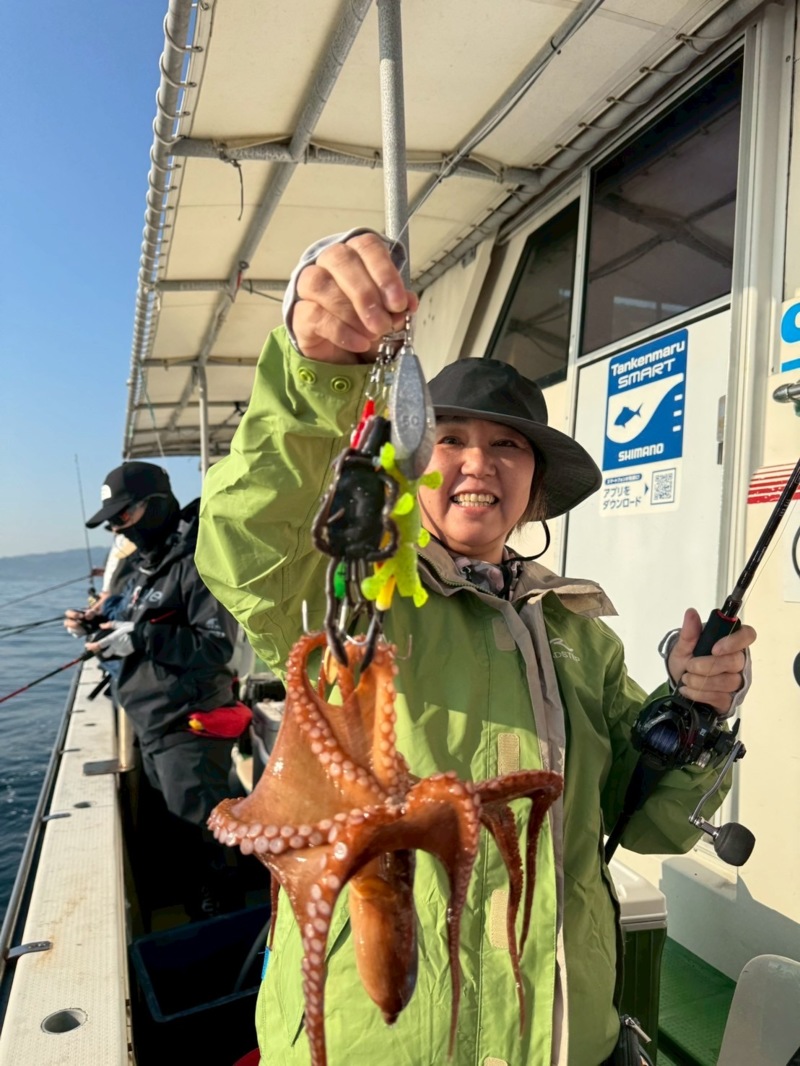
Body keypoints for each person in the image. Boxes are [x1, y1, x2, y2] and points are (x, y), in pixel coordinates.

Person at [195, 231, 756, 1065]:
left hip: (567, 1040)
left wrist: (698, 713)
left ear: (534, 487)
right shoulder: (353, 596)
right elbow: (250, 546)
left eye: (507, 446)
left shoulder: (580, 637)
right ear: (413, 460)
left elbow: (650, 823)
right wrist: (318, 368)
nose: (477, 464)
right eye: (450, 438)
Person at [65, 460, 250, 919]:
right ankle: (201, 912)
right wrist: (93, 624)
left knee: (207, 836)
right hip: (152, 725)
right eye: (110, 521)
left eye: (123, 515)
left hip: (187, 729)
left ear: (156, 505)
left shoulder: (196, 565)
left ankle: (227, 923)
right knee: (180, 834)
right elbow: (126, 615)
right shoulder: (140, 568)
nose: (116, 528)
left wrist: (142, 637)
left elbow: (215, 646)